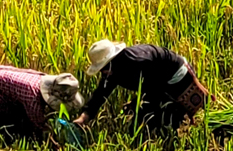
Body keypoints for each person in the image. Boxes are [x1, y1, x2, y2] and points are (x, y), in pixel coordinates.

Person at [80, 39, 209, 131]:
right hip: (157, 81)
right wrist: (84, 117)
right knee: (141, 115)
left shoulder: (137, 63)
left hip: (175, 75)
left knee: (152, 119)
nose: (103, 72)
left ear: (113, 61)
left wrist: (139, 106)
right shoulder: (112, 69)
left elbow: (155, 89)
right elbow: (101, 93)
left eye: (104, 68)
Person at [0, 66, 83, 140]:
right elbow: (39, 126)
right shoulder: (33, 99)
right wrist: (52, 138)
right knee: (6, 120)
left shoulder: (52, 84)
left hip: (2, 78)